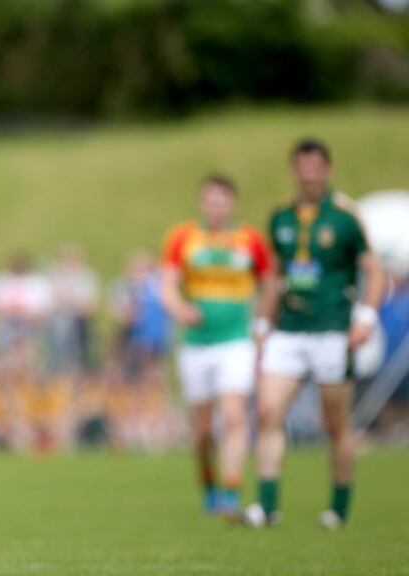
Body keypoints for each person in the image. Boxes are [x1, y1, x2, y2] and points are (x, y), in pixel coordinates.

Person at [245, 138, 386, 529]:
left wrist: (366, 318)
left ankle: (339, 507)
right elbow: (273, 276)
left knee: (334, 423)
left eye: (315, 166)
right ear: (294, 170)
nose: (308, 173)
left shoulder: (344, 216)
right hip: (289, 330)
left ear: (327, 169)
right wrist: (262, 323)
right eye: (302, 165)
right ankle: (266, 506)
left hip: (331, 329)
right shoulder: (281, 218)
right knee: (269, 411)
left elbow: (375, 270)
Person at [160, 174, 271, 518]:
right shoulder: (183, 238)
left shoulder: (249, 240)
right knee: (204, 430)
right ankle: (209, 483)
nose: (216, 205)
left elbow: (270, 284)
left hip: (236, 341)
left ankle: (231, 491)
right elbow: (167, 285)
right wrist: (180, 308)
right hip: (196, 344)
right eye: (210, 199)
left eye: (222, 199)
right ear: (202, 203)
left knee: (235, 414)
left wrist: (262, 325)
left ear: (232, 203)